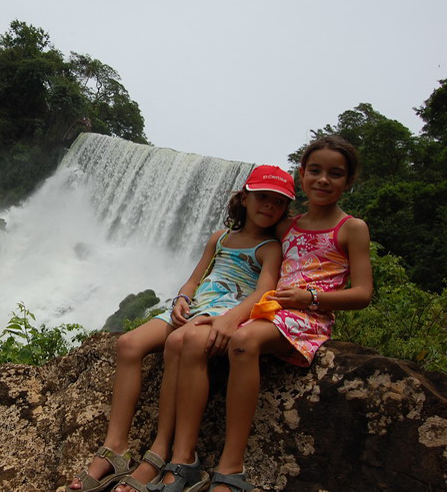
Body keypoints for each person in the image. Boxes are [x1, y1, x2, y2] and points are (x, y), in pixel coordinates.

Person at [136, 135, 373, 492]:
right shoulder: (286, 226)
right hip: (269, 308)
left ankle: (231, 467)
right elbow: (250, 250)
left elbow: (363, 293)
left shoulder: (352, 228)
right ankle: (182, 458)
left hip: (307, 315)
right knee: (194, 339)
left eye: (335, 174)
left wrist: (310, 298)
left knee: (243, 341)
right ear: (303, 175)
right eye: (315, 171)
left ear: (349, 181)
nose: (323, 180)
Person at [69, 165, 296, 492]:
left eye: (278, 202)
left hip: (223, 315)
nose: (269, 206)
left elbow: (264, 293)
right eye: (263, 197)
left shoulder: (269, 248)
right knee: (129, 344)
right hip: (195, 308)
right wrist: (181, 298)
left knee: (180, 341)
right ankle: (116, 445)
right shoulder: (220, 239)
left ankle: (161, 453)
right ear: (244, 198)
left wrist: (229, 320)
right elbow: (193, 279)